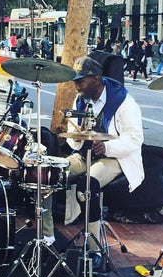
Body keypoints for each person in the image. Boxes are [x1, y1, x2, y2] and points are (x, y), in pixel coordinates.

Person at [42, 56, 144, 262]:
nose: (76, 85)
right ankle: (47, 238)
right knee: (46, 176)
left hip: (115, 157)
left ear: (96, 79)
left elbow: (135, 139)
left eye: (81, 80)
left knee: (87, 185)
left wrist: (107, 146)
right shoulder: (80, 99)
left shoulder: (124, 101)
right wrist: (79, 139)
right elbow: (73, 135)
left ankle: (93, 249)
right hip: (85, 154)